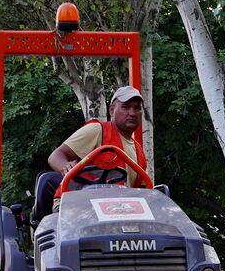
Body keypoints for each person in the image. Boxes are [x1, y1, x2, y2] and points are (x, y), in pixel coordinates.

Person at [34, 86, 149, 219]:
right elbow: (56, 156)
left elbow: (143, 193)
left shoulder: (139, 153)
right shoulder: (98, 130)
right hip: (80, 205)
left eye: (137, 108)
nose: (132, 113)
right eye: (126, 107)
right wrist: (65, 168)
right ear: (112, 110)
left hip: (118, 212)